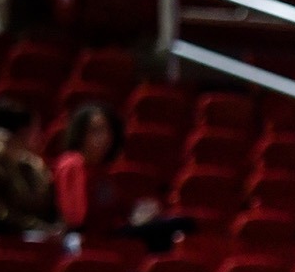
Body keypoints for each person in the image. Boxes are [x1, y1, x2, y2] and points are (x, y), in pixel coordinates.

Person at [52, 102, 192, 251]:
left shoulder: (102, 169)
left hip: (111, 232)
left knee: (180, 224)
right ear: (80, 134)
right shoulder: (72, 164)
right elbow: (77, 218)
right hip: (88, 239)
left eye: (107, 131)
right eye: (96, 131)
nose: (104, 138)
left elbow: (118, 209)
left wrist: (139, 213)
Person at [0, 97, 56, 234]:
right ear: (21, 133)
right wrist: (35, 227)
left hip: (30, 234)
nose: (38, 135)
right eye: (34, 129)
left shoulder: (31, 165)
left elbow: (44, 206)